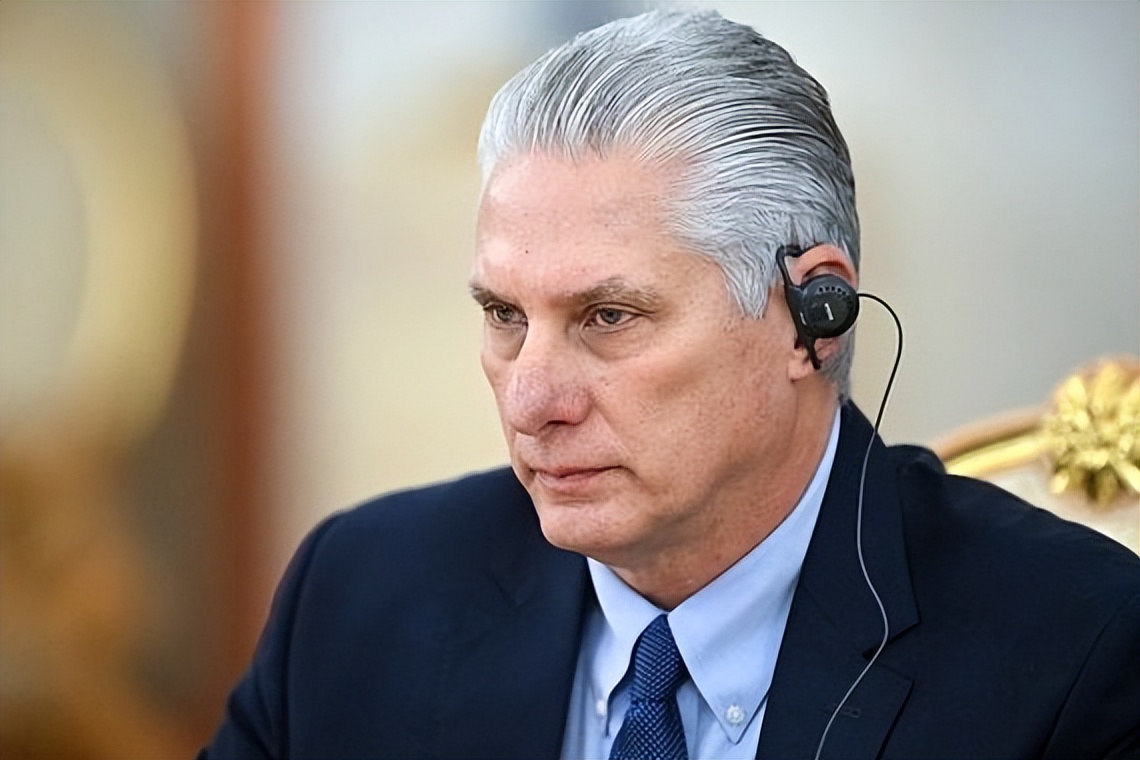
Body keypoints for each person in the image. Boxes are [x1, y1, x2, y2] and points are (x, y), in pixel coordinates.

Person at [200, 10, 1140, 759]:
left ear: (812, 318)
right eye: (505, 316)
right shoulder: (358, 595)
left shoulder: (1076, 652)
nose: (530, 403)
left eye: (609, 317)